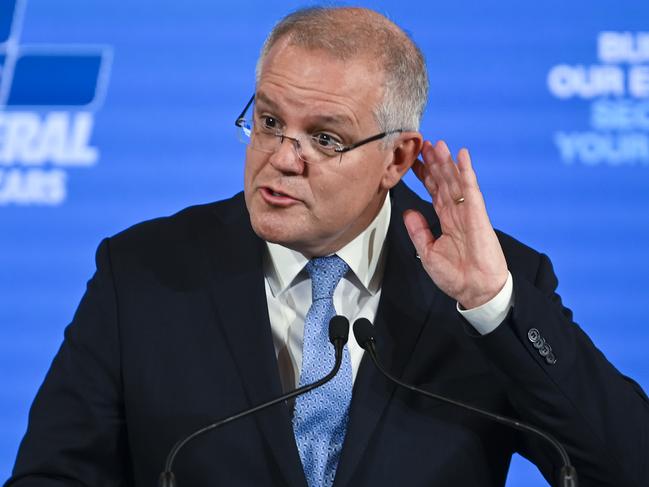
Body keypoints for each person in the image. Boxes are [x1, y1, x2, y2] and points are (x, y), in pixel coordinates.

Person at [5, 6, 649, 487]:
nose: (283, 159)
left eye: (326, 138)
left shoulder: (491, 281)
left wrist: (493, 305)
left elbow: (626, 466)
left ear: (397, 158)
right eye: (269, 122)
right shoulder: (143, 272)